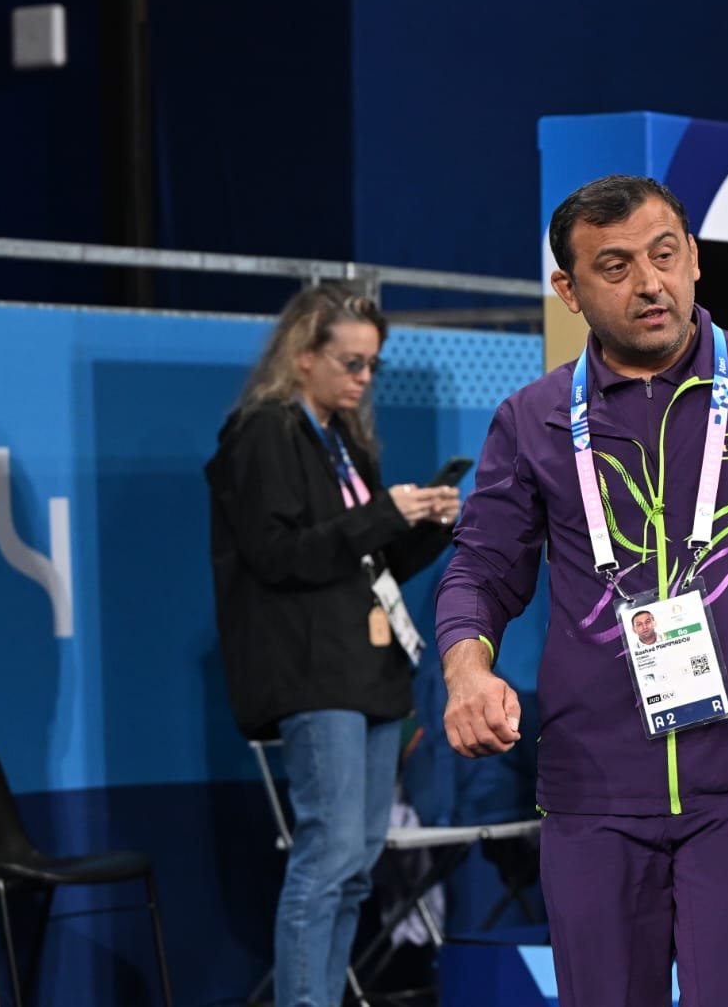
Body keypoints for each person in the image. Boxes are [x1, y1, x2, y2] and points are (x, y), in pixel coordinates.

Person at [433, 175, 728, 1006]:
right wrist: (468, 669)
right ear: (568, 291)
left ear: (694, 260)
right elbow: (481, 566)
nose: (649, 282)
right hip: (593, 792)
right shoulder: (532, 418)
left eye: (664, 254)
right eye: (614, 266)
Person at [205, 284, 459, 1007]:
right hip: (311, 674)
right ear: (303, 354)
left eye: (372, 366)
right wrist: (382, 513)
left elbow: (368, 567)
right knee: (328, 853)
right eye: (350, 362)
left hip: (370, 671)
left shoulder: (346, 442)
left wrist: (426, 524)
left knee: (358, 864)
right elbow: (279, 555)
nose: (363, 379)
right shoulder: (264, 432)